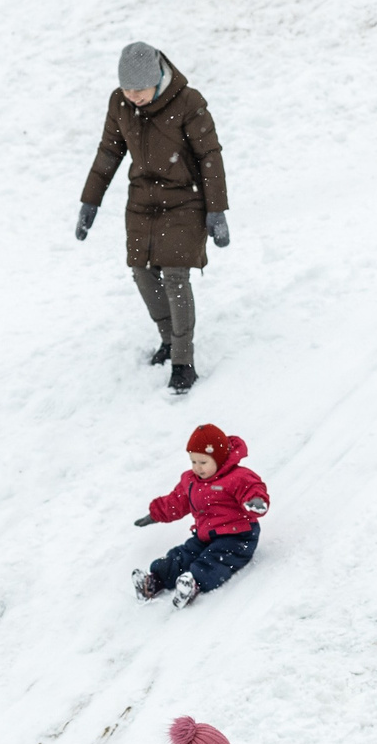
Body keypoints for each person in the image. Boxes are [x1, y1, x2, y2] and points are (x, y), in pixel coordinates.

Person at [77, 41, 229, 393]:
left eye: (139, 89)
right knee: (143, 274)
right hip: (143, 201)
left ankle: (183, 359)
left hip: (185, 199)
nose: (133, 97)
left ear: (157, 78)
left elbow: (210, 155)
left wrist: (217, 210)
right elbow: (108, 152)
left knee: (175, 275)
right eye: (127, 89)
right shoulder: (120, 103)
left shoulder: (188, 102)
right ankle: (167, 338)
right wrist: (90, 202)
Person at [133, 424, 268, 607]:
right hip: (206, 535)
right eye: (193, 462)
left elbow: (253, 489)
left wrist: (256, 502)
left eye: (203, 462)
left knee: (214, 560)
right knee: (182, 555)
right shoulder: (191, 481)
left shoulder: (237, 477)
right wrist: (156, 514)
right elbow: (176, 501)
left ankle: (193, 583)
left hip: (238, 537)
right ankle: (154, 581)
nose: (197, 468)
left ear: (219, 459)